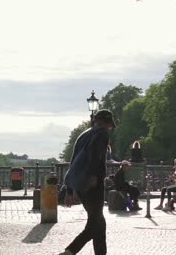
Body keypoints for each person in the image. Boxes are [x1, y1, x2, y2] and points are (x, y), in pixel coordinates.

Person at [60, 109, 116, 255]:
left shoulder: (83, 135)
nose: (110, 127)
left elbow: (74, 162)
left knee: (100, 224)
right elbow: (96, 156)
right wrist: (93, 177)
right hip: (93, 183)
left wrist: (69, 190)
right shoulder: (102, 133)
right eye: (110, 124)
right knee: (93, 225)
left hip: (79, 184)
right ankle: (70, 251)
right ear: (106, 121)